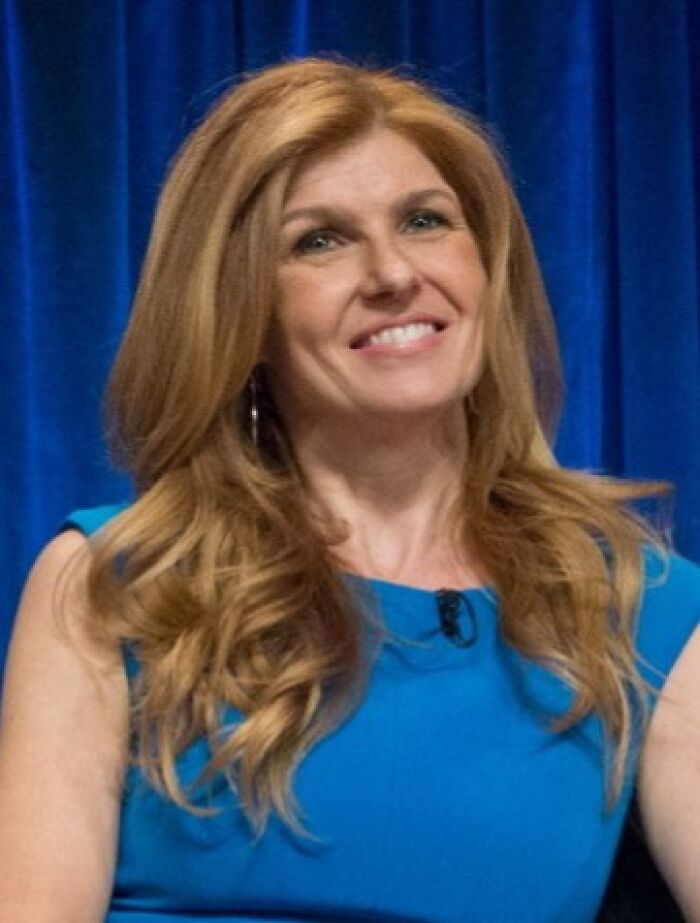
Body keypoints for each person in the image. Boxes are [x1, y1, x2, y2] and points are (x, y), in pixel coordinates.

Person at [1, 56, 699, 923]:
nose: (393, 273)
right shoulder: (116, 583)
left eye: (425, 220)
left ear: (485, 271)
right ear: (240, 312)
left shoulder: (640, 607)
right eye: (319, 240)